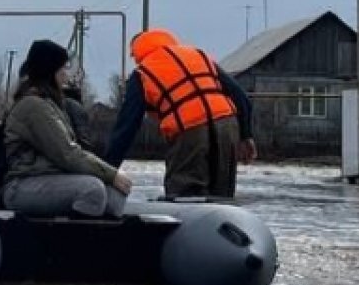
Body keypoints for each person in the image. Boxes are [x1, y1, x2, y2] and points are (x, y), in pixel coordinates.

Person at [104, 28, 256, 200]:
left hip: (189, 130)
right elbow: (241, 97)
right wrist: (246, 135)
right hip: (227, 126)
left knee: (184, 194)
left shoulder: (143, 73)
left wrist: (106, 170)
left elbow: (126, 128)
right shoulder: (198, 56)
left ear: (137, 52)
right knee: (222, 196)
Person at [3, 39, 132, 219]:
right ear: (50, 72)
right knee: (92, 190)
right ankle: (72, 243)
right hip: (22, 185)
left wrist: (112, 177)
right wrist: (111, 174)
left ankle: (110, 240)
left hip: (50, 178)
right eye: (62, 69)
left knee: (115, 191)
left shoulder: (52, 104)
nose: (66, 75)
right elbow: (67, 154)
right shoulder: (33, 106)